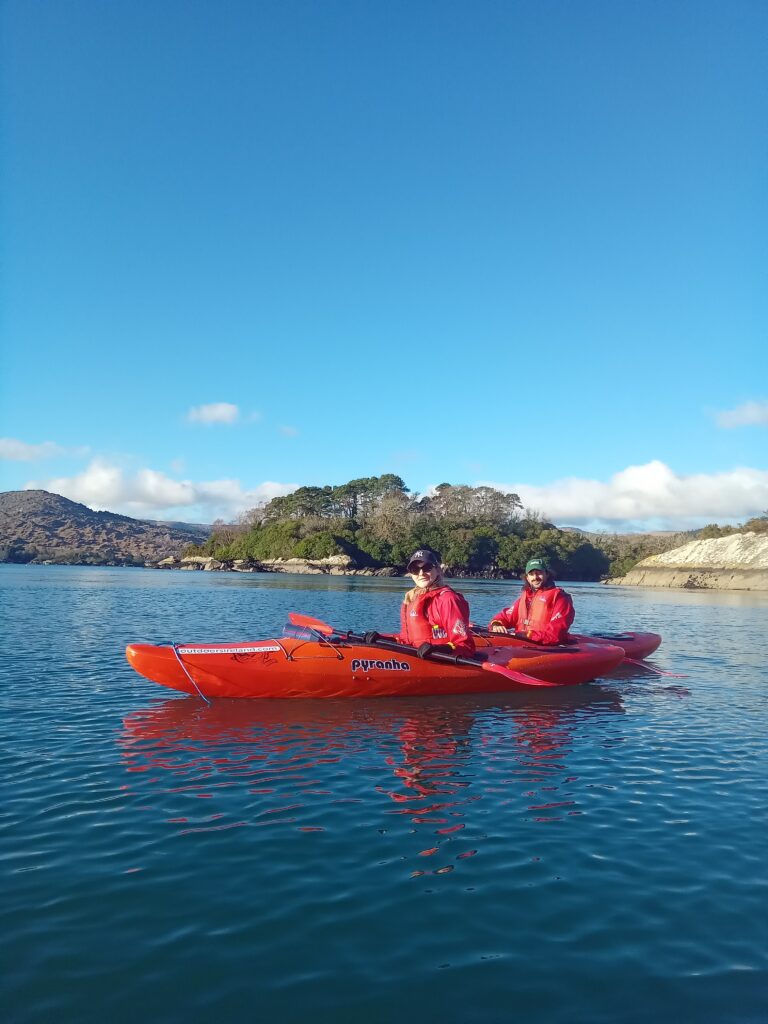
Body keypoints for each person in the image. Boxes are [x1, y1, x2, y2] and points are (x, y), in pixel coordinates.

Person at [394, 547, 475, 655]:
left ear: (437, 569)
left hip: (440, 660)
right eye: (415, 569)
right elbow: (405, 639)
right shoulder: (410, 599)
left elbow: (465, 645)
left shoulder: (448, 599)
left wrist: (439, 649)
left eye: (427, 567)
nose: (421, 573)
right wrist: (381, 638)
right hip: (415, 657)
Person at [488, 556, 574, 645]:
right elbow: (505, 616)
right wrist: (496, 624)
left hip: (545, 647)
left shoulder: (560, 598)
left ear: (547, 574)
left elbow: (555, 634)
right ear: (527, 578)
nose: (535, 577)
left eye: (539, 573)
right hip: (521, 643)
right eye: (531, 574)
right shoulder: (525, 597)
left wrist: (527, 635)